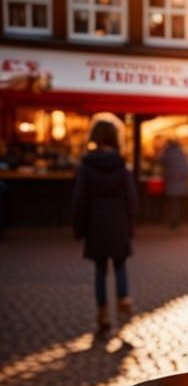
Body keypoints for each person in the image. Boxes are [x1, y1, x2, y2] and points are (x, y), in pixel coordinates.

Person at [72, 117, 137, 333]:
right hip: (118, 221)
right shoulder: (122, 165)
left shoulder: (87, 165)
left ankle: (102, 313)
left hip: (96, 222)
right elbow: (131, 199)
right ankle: (123, 299)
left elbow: (80, 199)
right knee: (120, 265)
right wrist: (130, 225)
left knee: (100, 269)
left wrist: (79, 228)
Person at [160, 137, 188, 230]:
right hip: (181, 181)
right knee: (177, 203)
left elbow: (160, 161)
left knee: (173, 203)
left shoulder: (168, 153)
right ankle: (177, 221)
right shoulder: (182, 153)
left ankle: (173, 222)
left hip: (171, 181)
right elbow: (187, 168)